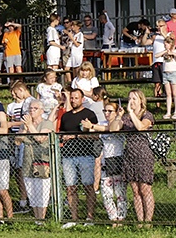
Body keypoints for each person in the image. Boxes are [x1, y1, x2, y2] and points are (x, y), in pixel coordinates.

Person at [59, 89, 99, 228]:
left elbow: (95, 135)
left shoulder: (89, 115)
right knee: (71, 188)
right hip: (68, 156)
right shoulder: (66, 116)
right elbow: (61, 133)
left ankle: (90, 217)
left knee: (88, 186)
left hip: (85, 155)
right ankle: (74, 218)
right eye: (72, 98)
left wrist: (76, 136)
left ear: (82, 99)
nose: (74, 100)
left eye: (76, 98)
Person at [82, 101, 127, 224]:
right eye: (105, 111)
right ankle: (113, 218)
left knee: (119, 192)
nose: (106, 113)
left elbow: (111, 129)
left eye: (109, 111)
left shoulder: (119, 122)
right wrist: (86, 126)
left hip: (117, 159)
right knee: (106, 193)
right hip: (105, 161)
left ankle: (121, 217)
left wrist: (93, 126)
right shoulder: (101, 123)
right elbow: (90, 130)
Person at [117, 89, 156, 224]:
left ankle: (148, 220)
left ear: (141, 100)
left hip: (144, 154)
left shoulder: (147, 115)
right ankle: (140, 221)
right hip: (130, 154)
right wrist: (119, 116)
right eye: (130, 99)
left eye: (134, 99)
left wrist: (131, 113)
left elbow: (140, 127)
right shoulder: (127, 117)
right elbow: (115, 128)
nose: (131, 101)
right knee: (135, 190)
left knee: (145, 189)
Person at [18, 99, 54, 223]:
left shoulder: (47, 124)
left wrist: (31, 126)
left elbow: (40, 138)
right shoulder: (26, 125)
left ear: (41, 111)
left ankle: (42, 218)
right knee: (31, 190)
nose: (32, 111)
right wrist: (24, 129)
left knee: (42, 190)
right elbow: (17, 141)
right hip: (28, 160)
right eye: (30, 109)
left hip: (42, 161)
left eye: (35, 109)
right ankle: (37, 218)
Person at [6, 80, 34, 212]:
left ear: (22, 90)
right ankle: (24, 200)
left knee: (25, 170)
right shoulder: (25, 103)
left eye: (17, 94)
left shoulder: (30, 102)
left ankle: (29, 201)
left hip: (27, 140)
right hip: (20, 139)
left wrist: (19, 132)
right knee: (20, 169)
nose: (16, 97)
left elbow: (28, 122)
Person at [161, 28, 176, 120]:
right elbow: (156, 55)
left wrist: (172, 53)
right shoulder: (164, 53)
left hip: (173, 73)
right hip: (165, 74)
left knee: (175, 93)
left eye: (167, 44)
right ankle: (168, 112)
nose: (165, 45)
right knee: (168, 94)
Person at [143, 19, 167, 99]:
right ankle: (157, 103)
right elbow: (144, 43)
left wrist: (162, 33)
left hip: (165, 62)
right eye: (157, 26)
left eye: (161, 26)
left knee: (166, 83)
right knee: (157, 84)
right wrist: (146, 34)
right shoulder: (155, 37)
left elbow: (169, 41)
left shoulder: (169, 34)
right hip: (156, 62)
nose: (159, 28)